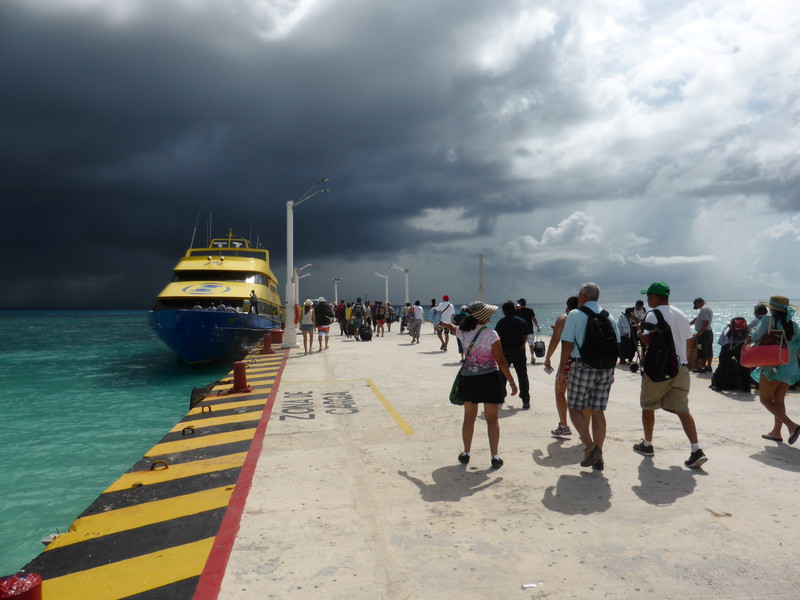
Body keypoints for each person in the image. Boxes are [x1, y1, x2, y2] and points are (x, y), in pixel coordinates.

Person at [634, 281, 708, 468]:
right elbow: (689, 341)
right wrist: (681, 360)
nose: (647, 299)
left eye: (648, 295)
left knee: (648, 405)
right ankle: (696, 449)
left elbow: (650, 341)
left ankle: (648, 444)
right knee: (683, 410)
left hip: (659, 369)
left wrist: (640, 333)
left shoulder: (653, 314)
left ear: (654, 296)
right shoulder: (681, 314)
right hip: (681, 369)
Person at [440, 302, 517, 469]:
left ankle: (466, 453)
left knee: (469, 418)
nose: (491, 316)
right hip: (489, 379)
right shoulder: (491, 334)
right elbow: (501, 360)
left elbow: (453, 328)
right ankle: (495, 456)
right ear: (483, 317)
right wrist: (511, 381)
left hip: (469, 379)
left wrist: (444, 323)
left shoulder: (464, 331)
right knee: (492, 419)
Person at [558, 282, 619, 470]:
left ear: (584, 296)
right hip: (606, 369)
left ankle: (591, 447)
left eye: (579, 295)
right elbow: (616, 345)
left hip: (583, 366)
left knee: (575, 408)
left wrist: (562, 370)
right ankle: (599, 456)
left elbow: (567, 344)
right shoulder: (609, 316)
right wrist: (612, 371)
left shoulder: (575, 315)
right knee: (597, 411)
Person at [750, 295, 800, 444]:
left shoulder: (767, 320)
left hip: (774, 365)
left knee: (765, 400)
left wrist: (752, 331)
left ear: (772, 309)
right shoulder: (794, 326)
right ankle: (776, 432)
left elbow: (756, 338)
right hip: (790, 366)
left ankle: (792, 426)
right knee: (778, 400)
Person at [544, 295, 582, 438]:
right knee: (582, 398)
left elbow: (555, 340)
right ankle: (583, 431)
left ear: (568, 306)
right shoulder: (586, 318)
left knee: (560, 391)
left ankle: (564, 425)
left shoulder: (564, 318)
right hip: (584, 361)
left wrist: (547, 358)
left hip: (567, 360)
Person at [495, 301, 531, 409]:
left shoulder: (501, 322)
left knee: (503, 374)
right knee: (522, 375)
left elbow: (497, 338)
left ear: (503, 311)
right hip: (520, 350)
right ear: (514, 309)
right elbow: (525, 336)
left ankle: (501, 397)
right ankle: (525, 399)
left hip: (505, 350)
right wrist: (521, 345)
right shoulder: (521, 321)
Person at [690, 297, 714, 373]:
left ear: (698, 303)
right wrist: (690, 323)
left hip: (704, 333)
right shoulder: (708, 308)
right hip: (709, 332)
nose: (697, 307)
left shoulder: (703, 309)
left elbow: (706, 321)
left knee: (702, 349)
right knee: (709, 349)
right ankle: (708, 366)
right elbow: (699, 319)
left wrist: (701, 331)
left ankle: (702, 367)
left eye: (697, 306)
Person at [515, 298, 541, 365]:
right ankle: (532, 357)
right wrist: (538, 326)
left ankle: (524, 358)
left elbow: (513, 318)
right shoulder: (530, 310)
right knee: (531, 345)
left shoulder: (517, 311)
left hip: (522, 331)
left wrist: (515, 309)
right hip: (530, 330)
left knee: (523, 345)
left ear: (520, 304)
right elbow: (534, 319)